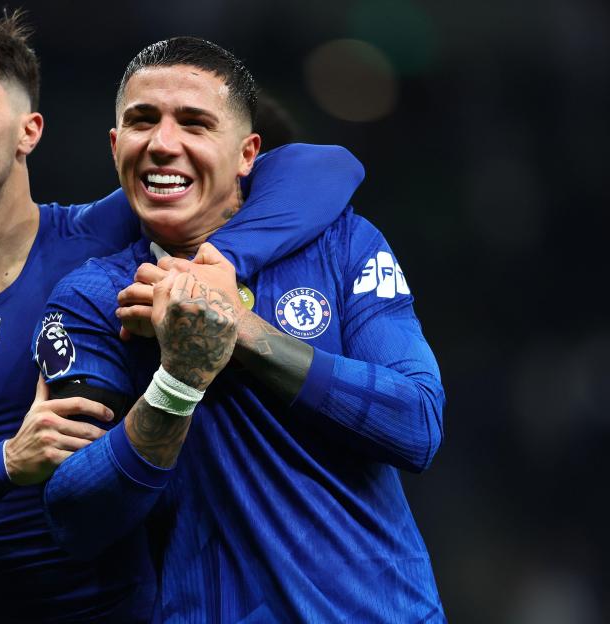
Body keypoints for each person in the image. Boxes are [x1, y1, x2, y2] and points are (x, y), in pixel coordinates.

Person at [0, 13, 364, 623]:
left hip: (112, 611)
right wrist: (6, 462)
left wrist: (218, 265)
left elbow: (325, 167)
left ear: (29, 131)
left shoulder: (102, 236)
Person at [38, 36, 446, 622]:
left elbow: (417, 425)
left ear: (248, 153)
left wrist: (244, 333)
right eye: (142, 121)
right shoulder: (94, 299)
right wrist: (177, 382)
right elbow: (77, 517)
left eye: (195, 124)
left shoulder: (342, 242)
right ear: (115, 144)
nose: (162, 144)